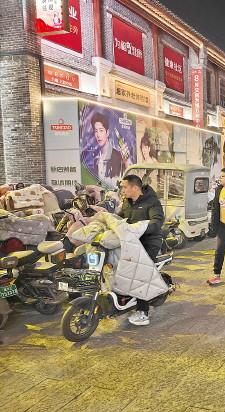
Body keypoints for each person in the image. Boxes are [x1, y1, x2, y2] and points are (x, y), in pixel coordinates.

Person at [119, 175, 165, 326]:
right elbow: (119, 218)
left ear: (135, 188)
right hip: (131, 241)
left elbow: (157, 222)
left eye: (125, 187)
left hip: (149, 242)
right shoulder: (127, 202)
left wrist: (140, 228)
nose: (122, 190)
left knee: (140, 271)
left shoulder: (152, 202)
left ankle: (143, 312)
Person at [91, 113, 126, 181]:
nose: (98, 135)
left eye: (101, 130)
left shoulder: (117, 156)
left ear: (107, 133)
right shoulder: (96, 160)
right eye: (96, 131)